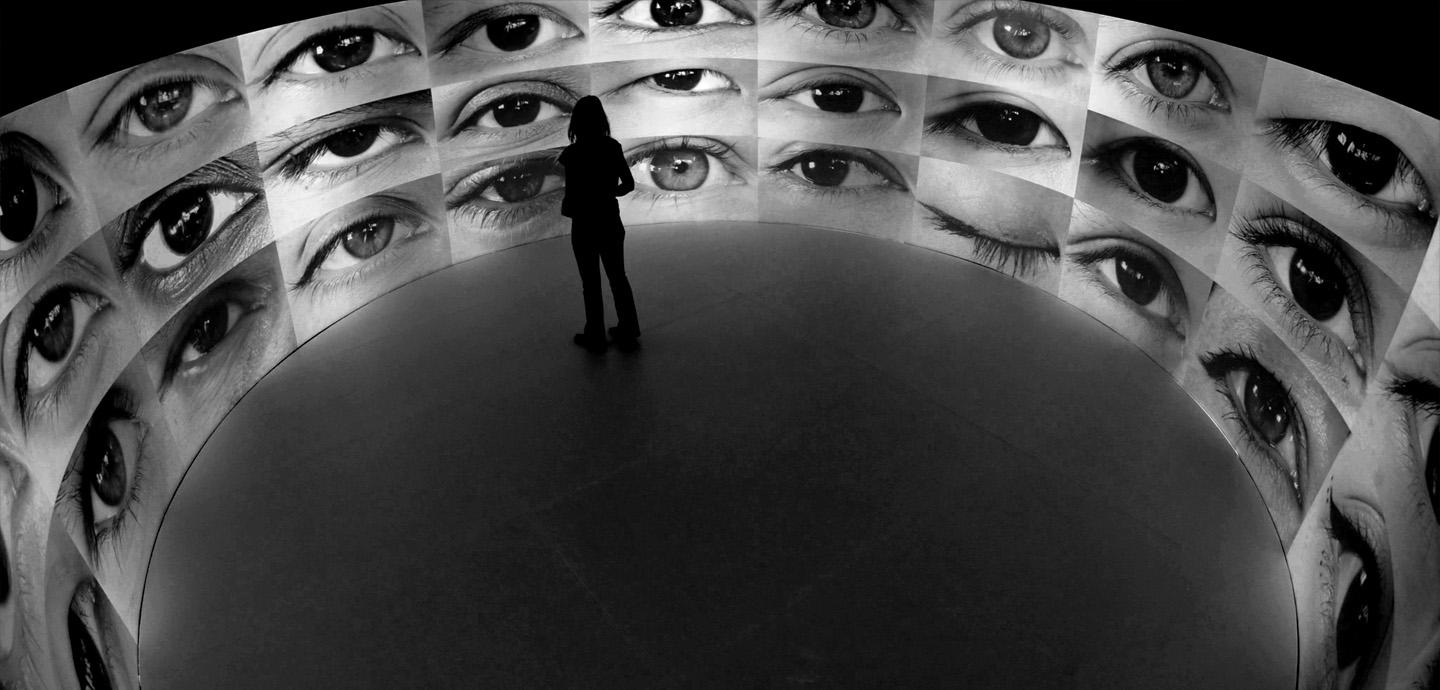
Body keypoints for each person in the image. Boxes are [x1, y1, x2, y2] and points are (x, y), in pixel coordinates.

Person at [558, 95, 639, 352]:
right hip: (609, 220)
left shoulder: (571, 155)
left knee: (590, 283)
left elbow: (571, 195)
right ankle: (628, 328)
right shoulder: (612, 147)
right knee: (618, 277)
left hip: (584, 225)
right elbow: (628, 184)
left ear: (576, 123)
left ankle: (595, 334)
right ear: (602, 119)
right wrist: (609, 192)